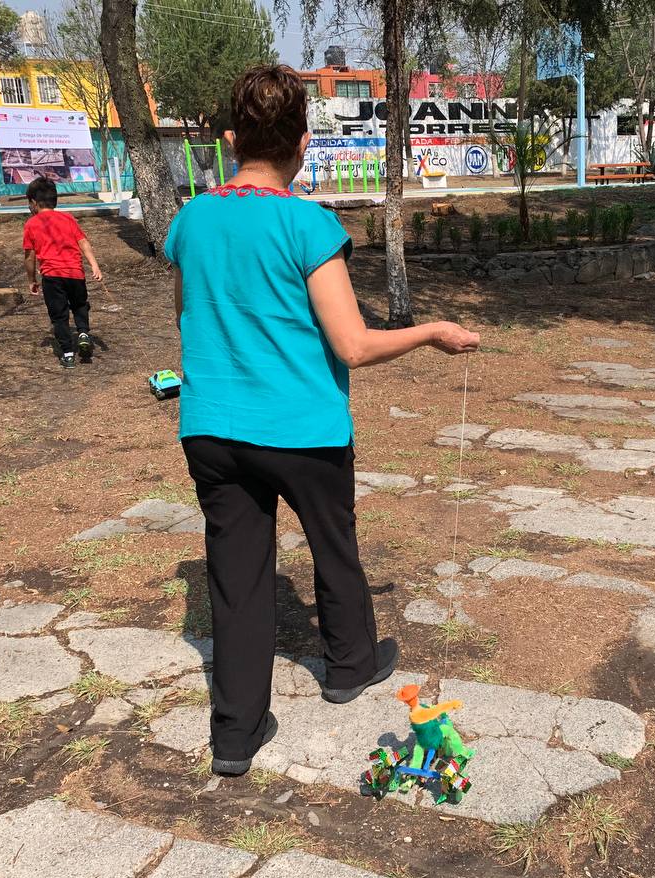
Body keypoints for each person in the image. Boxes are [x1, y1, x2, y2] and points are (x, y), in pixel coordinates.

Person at [164, 64, 480, 778]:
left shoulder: (189, 220)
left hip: (212, 428)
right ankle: (349, 666)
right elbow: (354, 344)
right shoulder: (309, 223)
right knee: (333, 548)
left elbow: (189, 319)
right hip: (302, 431)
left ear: (228, 139)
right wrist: (431, 330)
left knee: (235, 578)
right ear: (304, 142)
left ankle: (236, 735)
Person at [23, 177, 102, 368]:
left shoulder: (31, 224)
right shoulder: (68, 218)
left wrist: (32, 279)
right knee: (80, 305)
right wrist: (94, 265)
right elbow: (83, 242)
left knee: (59, 316)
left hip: (51, 276)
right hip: (75, 273)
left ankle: (67, 353)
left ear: (34, 202)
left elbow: (30, 256)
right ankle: (83, 332)